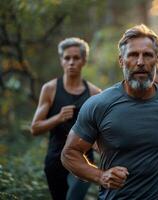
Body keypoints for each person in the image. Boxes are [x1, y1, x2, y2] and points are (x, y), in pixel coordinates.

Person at [61, 24, 158, 200]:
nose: (140, 62)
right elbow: (69, 154)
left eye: (147, 55)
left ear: (156, 60)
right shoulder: (98, 105)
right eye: (133, 55)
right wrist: (101, 176)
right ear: (121, 60)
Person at [31, 37, 101, 200]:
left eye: (76, 58)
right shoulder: (50, 89)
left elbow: (100, 132)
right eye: (67, 58)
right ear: (61, 61)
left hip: (84, 160)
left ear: (84, 61)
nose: (71, 62)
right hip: (55, 160)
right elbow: (35, 128)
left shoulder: (95, 93)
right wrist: (58, 118)